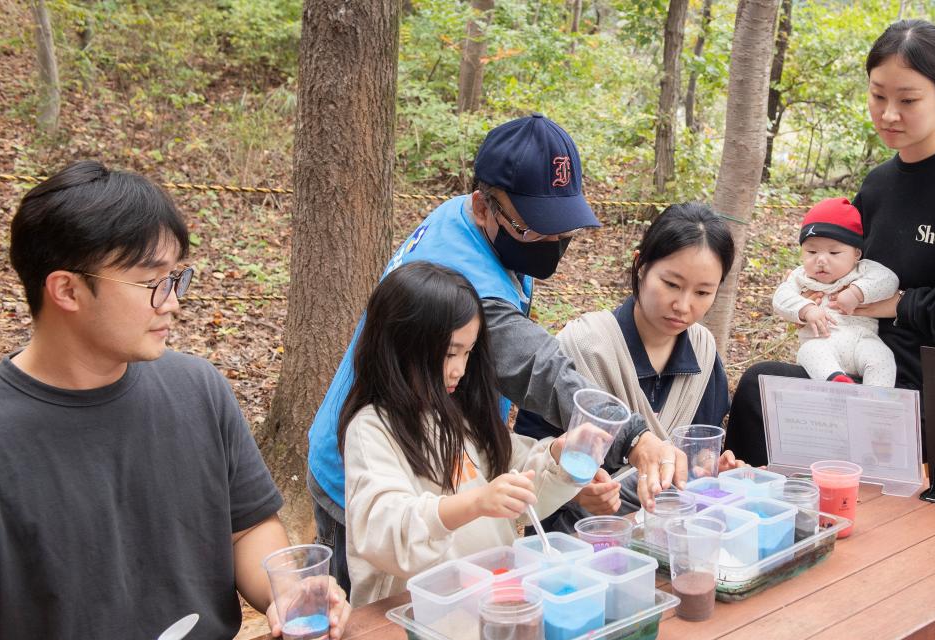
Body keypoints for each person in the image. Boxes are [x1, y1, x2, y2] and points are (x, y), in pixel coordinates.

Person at [732, 20, 935, 640]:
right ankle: (762, 610)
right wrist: (819, 309)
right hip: (859, 382)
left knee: (891, 551)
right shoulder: (878, 185)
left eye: (909, 100)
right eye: (878, 97)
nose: (890, 115)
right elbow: (835, 270)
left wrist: (894, 303)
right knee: (756, 389)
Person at [0, 161, 350, 640]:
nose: (173, 303)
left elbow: (246, 527)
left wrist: (287, 595)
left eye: (177, 279)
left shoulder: (196, 388)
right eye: (150, 282)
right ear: (65, 289)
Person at [307, 114, 687, 595]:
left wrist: (557, 458)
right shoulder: (460, 280)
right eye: (534, 231)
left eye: (560, 231)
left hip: (448, 446)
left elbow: (507, 462)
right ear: (482, 207)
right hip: (374, 471)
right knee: (378, 607)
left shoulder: (478, 225)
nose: (550, 245)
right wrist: (631, 436)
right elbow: (538, 366)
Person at [339, 263, 581, 606]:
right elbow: (386, 531)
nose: (461, 370)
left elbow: (519, 484)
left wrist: (559, 457)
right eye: (450, 353)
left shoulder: (459, 412)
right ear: (402, 345)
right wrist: (476, 502)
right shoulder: (372, 429)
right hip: (413, 617)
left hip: (488, 603)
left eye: (468, 353)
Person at [514, 202, 743, 530]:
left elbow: (693, 454)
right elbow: (526, 457)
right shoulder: (584, 347)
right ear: (640, 266)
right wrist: (575, 490)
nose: (683, 305)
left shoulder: (703, 352)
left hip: (667, 533)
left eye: (703, 292)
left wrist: (710, 470)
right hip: (579, 540)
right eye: (671, 284)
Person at [772, 197, 899, 387]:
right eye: (812, 252)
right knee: (809, 352)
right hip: (822, 341)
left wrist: (857, 292)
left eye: (834, 253)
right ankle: (837, 383)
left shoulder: (863, 270)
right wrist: (806, 309)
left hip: (861, 341)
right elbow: (781, 297)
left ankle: (876, 400)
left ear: (856, 254)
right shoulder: (801, 277)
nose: (821, 260)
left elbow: (889, 280)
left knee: (882, 358)